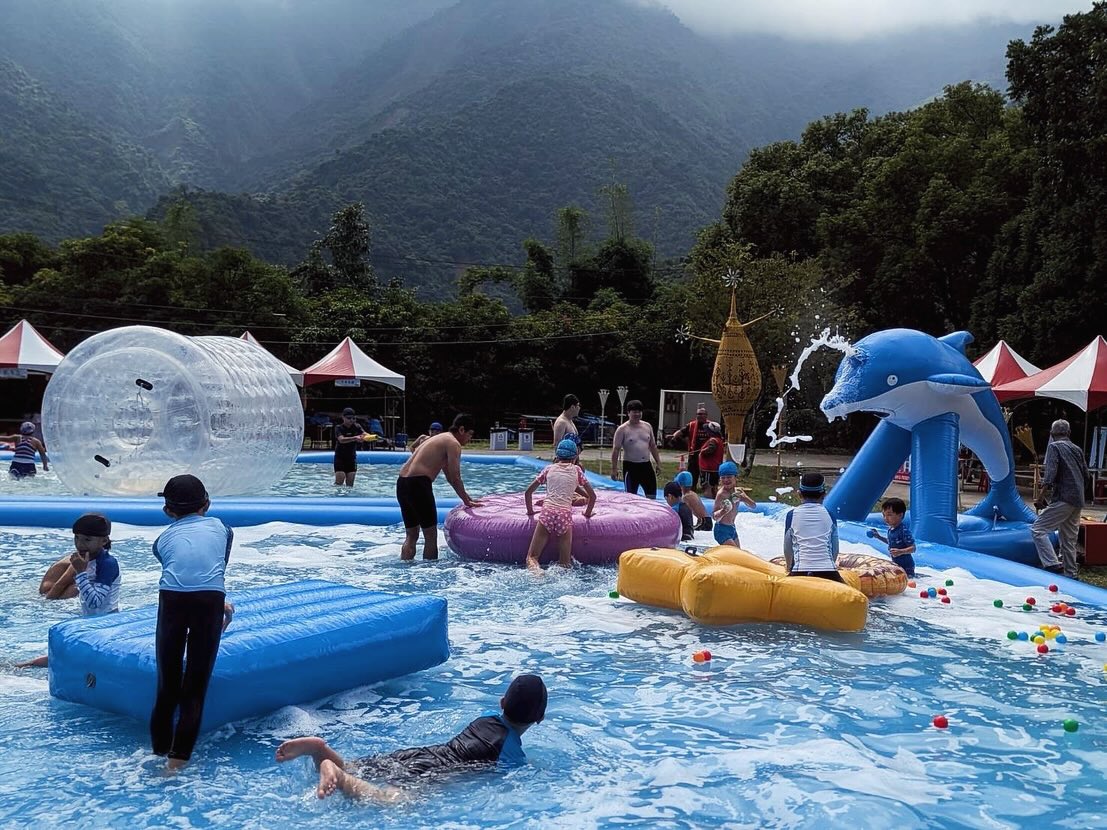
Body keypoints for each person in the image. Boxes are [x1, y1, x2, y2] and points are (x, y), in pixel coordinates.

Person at [275, 674, 548, 802]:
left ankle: (319, 751)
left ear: (501, 702)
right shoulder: (511, 750)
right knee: (393, 802)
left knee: (357, 766)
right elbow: (508, 778)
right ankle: (339, 776)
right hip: (433, 771)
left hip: (420, 753)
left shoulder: (486, 718)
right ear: (540, 718)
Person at [150, 474, 235, 770]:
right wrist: (217, 604)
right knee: (195, 686)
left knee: (167, 683)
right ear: (207, 504)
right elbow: (213, 569)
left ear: (167, 511)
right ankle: (177, 763)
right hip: (208, 602)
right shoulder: (224, 529)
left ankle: (159, 750)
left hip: (172, 601)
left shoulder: (161, 540)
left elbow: (179, 569)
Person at [17, 513, 121, 668]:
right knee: (62, 654)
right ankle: (25, 665)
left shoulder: (108, 564)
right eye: (77, 538)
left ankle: (27, 665)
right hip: (91, 622)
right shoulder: (84, 560)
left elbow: (95, 602)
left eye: (87, 539)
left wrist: (80, 573)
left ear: (104, 541)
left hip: (107, 623)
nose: (80, 544)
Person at [396, 414, 483, 561]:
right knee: (431, 536)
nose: (470, 439)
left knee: (411, 535)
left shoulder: (438, 439)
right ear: (462, 430)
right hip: (419, 484)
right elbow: (456, 478)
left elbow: (449, 477)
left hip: (402, 483)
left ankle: (404, 567)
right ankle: (429, 574)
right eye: (470, 434)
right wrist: (467, 502)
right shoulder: (453, 443)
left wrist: (467, 497)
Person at [524, 438, 596, 570]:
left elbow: (528, 493)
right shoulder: (577, 470)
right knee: (565, 564)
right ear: (575, 457)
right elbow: (592, 496)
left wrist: (530, 512)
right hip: (564, 515)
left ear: (557, 456)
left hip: (547, 512)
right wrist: (587, 513)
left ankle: (538, 576)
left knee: (532, 557)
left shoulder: (548, 469)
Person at [1032, 419, 1089, 578]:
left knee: (1038, 529)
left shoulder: (1053, 447)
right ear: (1069, 433)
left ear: (1051, 434)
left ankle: (1051, 563)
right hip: (1077, 499)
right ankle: (1071, 574)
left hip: (1064, 497)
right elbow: (1086, 475)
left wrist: (1041, 497)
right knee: (1068, 539)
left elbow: (1050, 475)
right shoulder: (1076, 448)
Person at [783, 472, 844, 582]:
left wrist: (788, 568)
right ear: (824, 494)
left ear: (799, 494)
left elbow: (788, 547)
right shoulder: (830, 515)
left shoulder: (791, 515)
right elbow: (835, 548)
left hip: (800, 570)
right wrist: (832, 565)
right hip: (828, 571)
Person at [610, 400, 661, 498]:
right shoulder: (622, 429)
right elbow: (616, 450)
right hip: (631, 467)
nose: (637, 414)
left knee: (651, 495)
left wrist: (658, 463)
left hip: (646, 465)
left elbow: (653, 446)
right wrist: (614, 469)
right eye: (634, 412)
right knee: (631, 497)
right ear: (628, 413)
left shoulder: (647, 426)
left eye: (639, 411)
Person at [868, 497, 916, 577]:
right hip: (897, 565)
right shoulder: (891, 529)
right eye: (884, 515)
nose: (885, 518)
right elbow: (891, 542)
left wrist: (901, 551)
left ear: (900, 515)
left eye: (889, 515)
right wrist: (878, 537)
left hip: (907, 567)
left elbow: (913, 548)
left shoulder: (904, 531)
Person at [711, 461, 755, 547]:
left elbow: (753, 506)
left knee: (738, 556)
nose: (726, 480)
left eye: (729, 477)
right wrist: (723, 511)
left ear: (735, 477)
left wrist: (745, 498)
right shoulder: (721, 494)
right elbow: (714, 516)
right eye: (723, 477)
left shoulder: (738, 492)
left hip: (732, 529)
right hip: (721, 530)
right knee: (736, 553)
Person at [668, 403, 709, 493]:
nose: (700, 416)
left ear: (706, 415)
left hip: (706, 455)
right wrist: (673, 437)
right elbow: (681, 431)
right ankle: (692, 487)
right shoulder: (691, 425)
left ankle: (706, 488)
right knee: (692, 473)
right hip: (693, 454)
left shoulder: (710, 425)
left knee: (705, 473)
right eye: (698, 414)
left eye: (702, 414)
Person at [333, 407, 364, 487]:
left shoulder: (357, 427)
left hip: (351, 458)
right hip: (340, 457)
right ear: (343, 418)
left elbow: (364, 434)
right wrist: (355, 438)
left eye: (353, 418)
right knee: (340, 481)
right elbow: (341, 440)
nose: (351, 420)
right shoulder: (339, 428)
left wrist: (371, 437)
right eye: (349, 418)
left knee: (350, 484)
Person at [696, 421, 726, 498]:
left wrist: (702, 451)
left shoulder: (713, 440)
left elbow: (710, 450)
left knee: (707, 487)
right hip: (715, 468)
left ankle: (708, 503)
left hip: (709, 469)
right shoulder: (719, 440)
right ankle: (715, 502)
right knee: (714, 487)